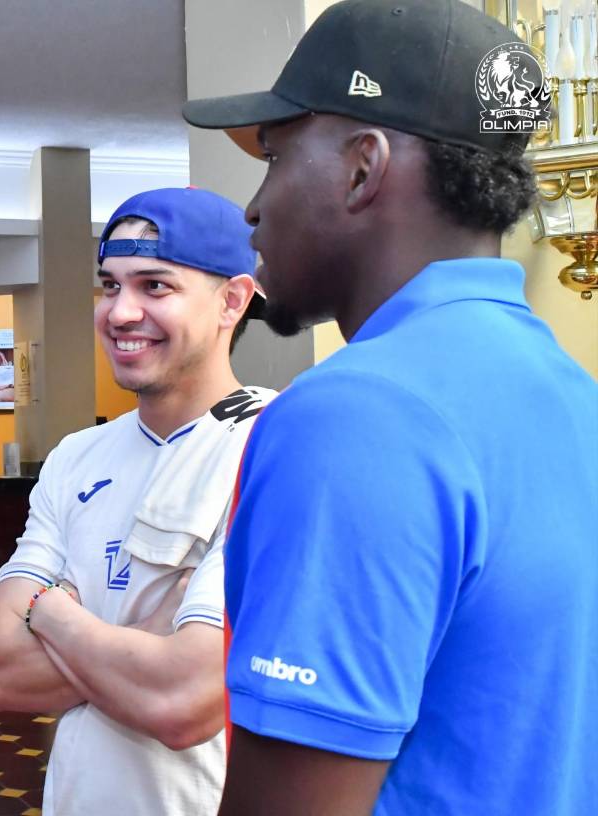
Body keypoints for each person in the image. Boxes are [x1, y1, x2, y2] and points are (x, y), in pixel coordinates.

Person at [181, 1, 598, 813]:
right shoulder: (572, 391)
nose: (254, 209)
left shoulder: (354, 415)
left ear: (361, 167)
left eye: (274, 157)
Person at [0, 187, 276, 815]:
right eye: (110, 286)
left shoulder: (273, 445)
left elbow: (183, 701)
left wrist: (54, 614)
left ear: (233, 300)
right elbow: (0, 674)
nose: (119, 312)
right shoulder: (75, 457)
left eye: (155, 287)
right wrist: (149, 643)